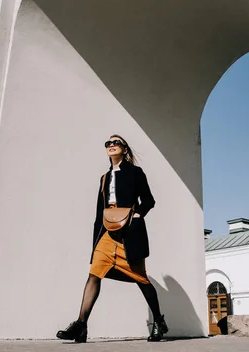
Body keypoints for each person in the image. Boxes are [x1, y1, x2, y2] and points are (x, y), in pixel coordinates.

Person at [56, 134, 168, 343]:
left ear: (124, 149)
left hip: (129, 231)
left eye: (116, 143)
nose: (112, 145)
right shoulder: (104, 178)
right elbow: (99, 212)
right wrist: (96, 241)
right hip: (107, 231)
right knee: (94, 273)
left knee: (141, 278)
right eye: (108, 143)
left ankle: (158, 323)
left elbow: (149, 200)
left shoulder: (135, 172)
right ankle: (81, 325)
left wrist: (137, 215)